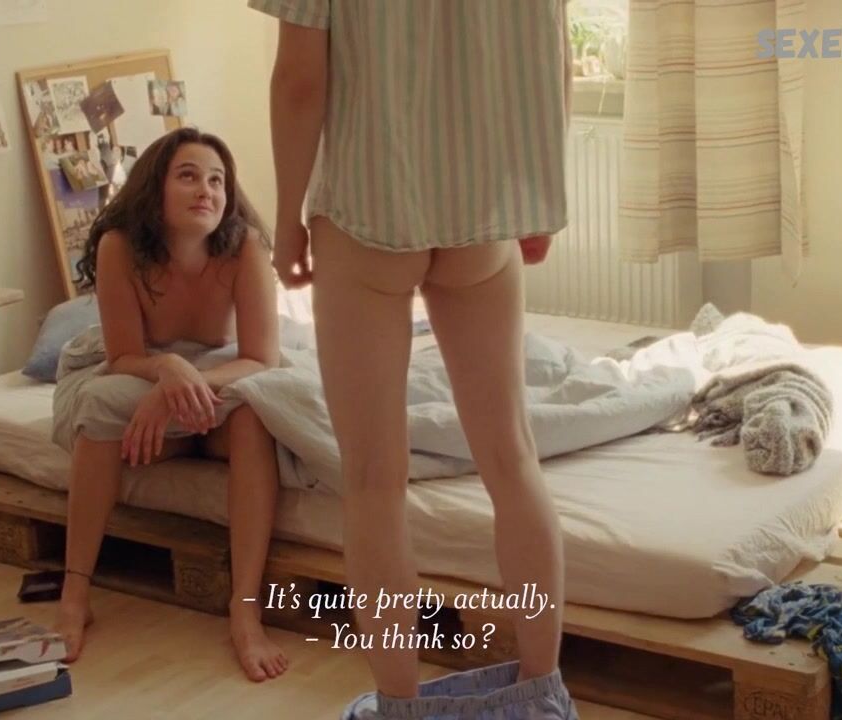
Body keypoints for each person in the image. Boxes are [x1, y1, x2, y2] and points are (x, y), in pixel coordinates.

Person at [250, 1, 576, 717]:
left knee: (373, 482)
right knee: (512, 460)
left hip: (365, 209)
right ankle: (541, 696)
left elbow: (299, 79)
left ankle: (401, 706)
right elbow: (553, 53)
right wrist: (539, 196)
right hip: (481, 207)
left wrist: (287, 222)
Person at [50, 127, 289, 682]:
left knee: (254, 415)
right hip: (143, 370)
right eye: (188, 176)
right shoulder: (120, 246)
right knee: (100, 406)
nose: (206, 190)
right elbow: (123, 356)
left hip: (223, 374)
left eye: (217, 181)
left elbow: (260, 359)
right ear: (155, 187)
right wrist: (167, 371)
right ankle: (74, 593)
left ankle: (245, 612)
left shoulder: (246, 247)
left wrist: (183, 383)